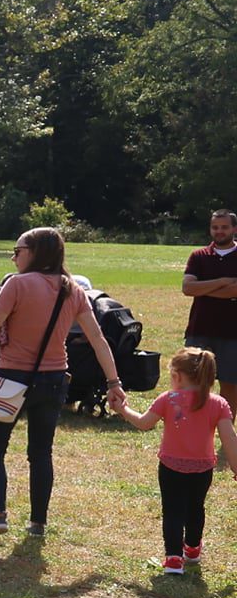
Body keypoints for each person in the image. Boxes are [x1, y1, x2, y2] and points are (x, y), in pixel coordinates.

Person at [0, 227, 126, 540]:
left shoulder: (17, 284)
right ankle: (38, 523)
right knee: (41, 452)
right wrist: (113, 381)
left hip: (12, 377)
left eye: (18, 249)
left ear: (36, 251)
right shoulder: (73, 289)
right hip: (54, 380)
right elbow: (97, 338)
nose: (14, 256)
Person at [115, 348, 237, 573]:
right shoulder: (218, 403)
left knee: (172, 510)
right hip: (202, 469)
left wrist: (123, 410)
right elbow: (229, 438)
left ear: (178, 376)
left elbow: (144, 423)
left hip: (170, 466)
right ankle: (192, 548)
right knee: (195, 508)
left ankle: (173, 558)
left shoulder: (168, 400)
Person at [181, 209, 237, 400]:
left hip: (233, 333)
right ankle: (197, 428)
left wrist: (203, 289)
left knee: (230, 385)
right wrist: (223, 281)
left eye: (224, 227)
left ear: (234, 229)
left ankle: (226, 429)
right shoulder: (199, 256)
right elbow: (188, 288)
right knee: (193, 382)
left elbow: (235, 291)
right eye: (215, 227)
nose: (219, 231)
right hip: (200, 329)